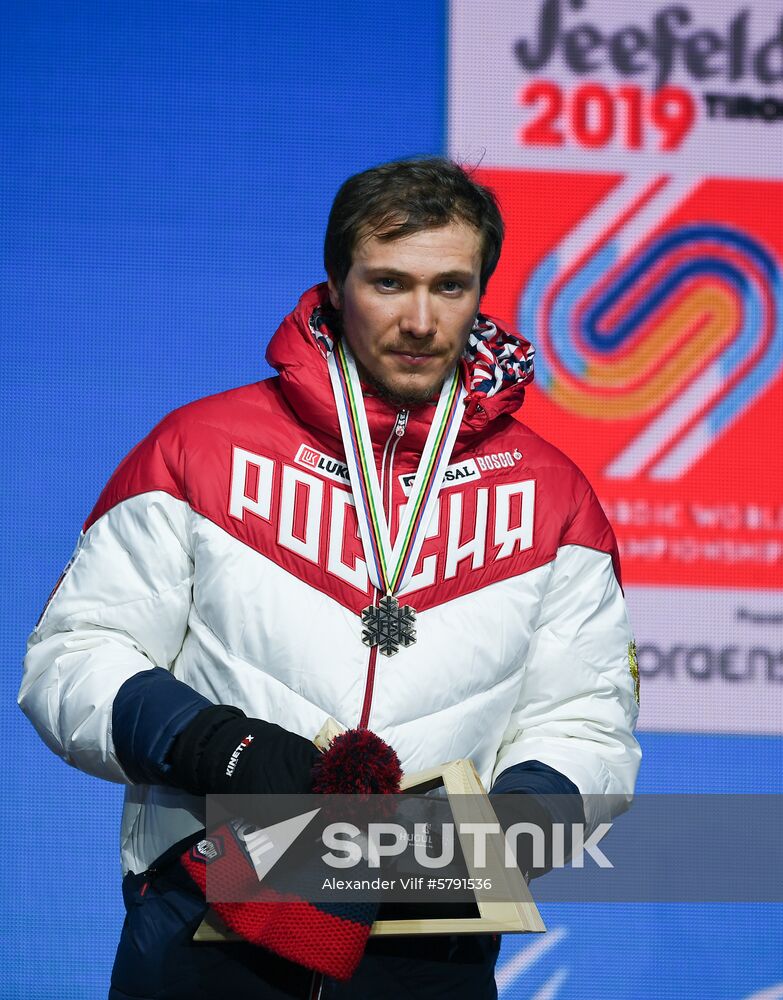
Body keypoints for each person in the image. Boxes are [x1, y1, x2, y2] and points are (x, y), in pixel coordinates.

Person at [19, 157, 640, 999]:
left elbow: (585, 724)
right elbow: (72, 658)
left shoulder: (553, 495)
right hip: (206, 915)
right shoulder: (199, 449)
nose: (420, 320)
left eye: (450, 287)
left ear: (480, 293)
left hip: (432, 935)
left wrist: (510, 829)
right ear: (337, 284)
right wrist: (221, 747)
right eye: (389, 282)